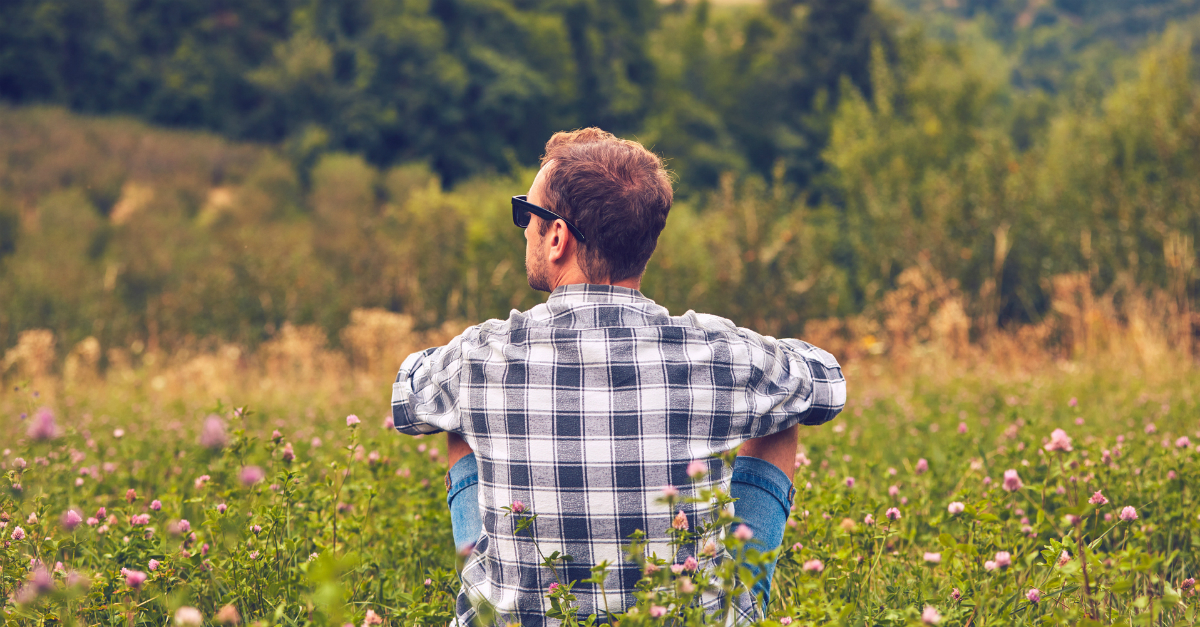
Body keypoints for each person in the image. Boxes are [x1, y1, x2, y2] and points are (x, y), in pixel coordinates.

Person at [391, 128, 846, 625]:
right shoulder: (717, 353)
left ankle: (490, 601)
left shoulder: (481, 355)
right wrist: (760, 355)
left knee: (453, 415)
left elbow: (407, 398)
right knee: (780, 410)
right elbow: (828, 384)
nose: (524, 228)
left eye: (528, 214)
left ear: (558, 237)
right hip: (682, 615)